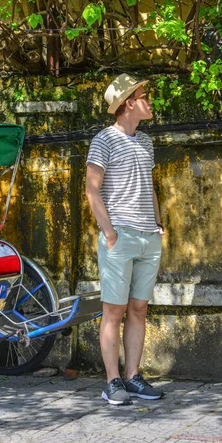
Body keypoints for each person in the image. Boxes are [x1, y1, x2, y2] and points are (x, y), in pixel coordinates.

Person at [85, 74, 164, 406]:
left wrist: (159, 224)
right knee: (113, 310)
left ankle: (133, 377)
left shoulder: (145, 142)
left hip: (149, 237)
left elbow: (149, 185)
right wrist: (109, 232)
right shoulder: (103, 140)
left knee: (139, 309)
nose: (150, 101)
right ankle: (111, 382)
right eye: (145, 95)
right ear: (129, 102)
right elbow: (92, 189)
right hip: (120, 236)